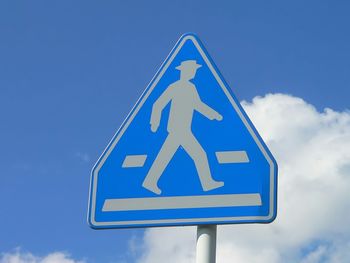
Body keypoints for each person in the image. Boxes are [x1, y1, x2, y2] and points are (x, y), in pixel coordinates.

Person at [142, 60, 224, 195]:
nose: (194, 72)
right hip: (177, 129)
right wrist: (154, 123)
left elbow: (197, 105)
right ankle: (207, 183)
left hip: (183, 129)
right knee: (199, 155)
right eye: (192, 69)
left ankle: (149, 181)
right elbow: (158, 104)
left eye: (195, 70)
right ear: (185, 71)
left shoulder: (191, 88)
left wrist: (214, 114)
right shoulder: (174, 87)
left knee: (166, 156)